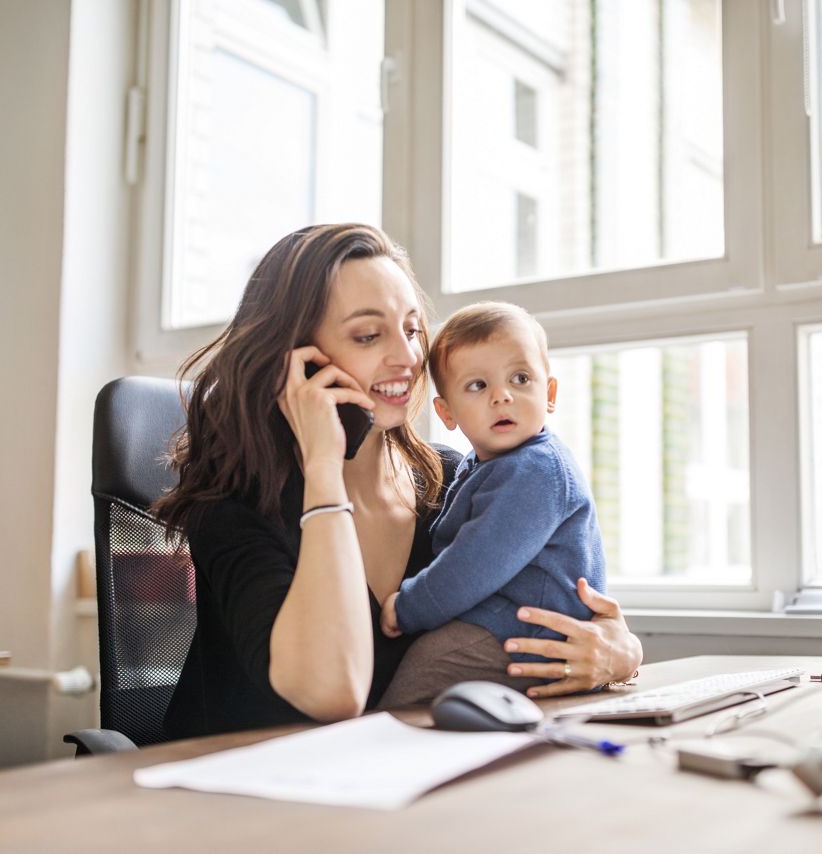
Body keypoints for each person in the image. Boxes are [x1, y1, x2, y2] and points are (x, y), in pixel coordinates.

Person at [152, 223, 642, 738]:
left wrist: (618, 652)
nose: (409, 358)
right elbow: (333, 693)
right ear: (295, 362)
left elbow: (564, 601)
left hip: (401, 787)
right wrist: (323, 468)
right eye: (368, 335)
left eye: (411, 329)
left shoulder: (452, 480)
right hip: (239, 795)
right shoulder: (234, 505)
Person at [378, 302, 605, 706]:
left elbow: (474, 563)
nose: (502, 396)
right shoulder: (483, 464)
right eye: (477, 386)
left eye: (520, 378)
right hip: (508, 625)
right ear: (446, 412)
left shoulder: (536, 470)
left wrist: (409, 608)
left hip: (526, 633)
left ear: (549, 393)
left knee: (412, 687)